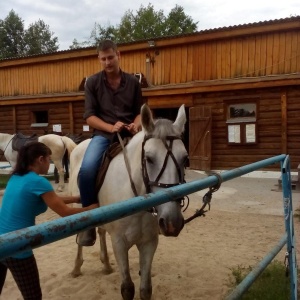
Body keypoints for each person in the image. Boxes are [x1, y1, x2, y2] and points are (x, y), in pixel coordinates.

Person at [0, 142, 98, 300]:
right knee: (33, 296)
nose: (50, 163)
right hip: (17, 246)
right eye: (49, 160)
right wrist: (93, 208)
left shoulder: (17, 176)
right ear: (40, 160)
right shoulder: (38, 182)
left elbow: (52, 199)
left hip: (1, 240)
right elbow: (65, 213)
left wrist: (75, 198)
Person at [77, 39, 145, 246]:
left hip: (130, 134)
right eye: (103, 59)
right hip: (104, 135)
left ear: (119, 55)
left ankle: (156, 210)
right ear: (99, 59)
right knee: (87, 170)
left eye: (110, 57)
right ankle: (89, 222)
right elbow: (89, 116)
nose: (107, 62)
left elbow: (140, 112)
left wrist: (135, 124)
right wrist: (110, 127)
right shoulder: (92, 83)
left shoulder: (133, 82)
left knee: (154, 162)